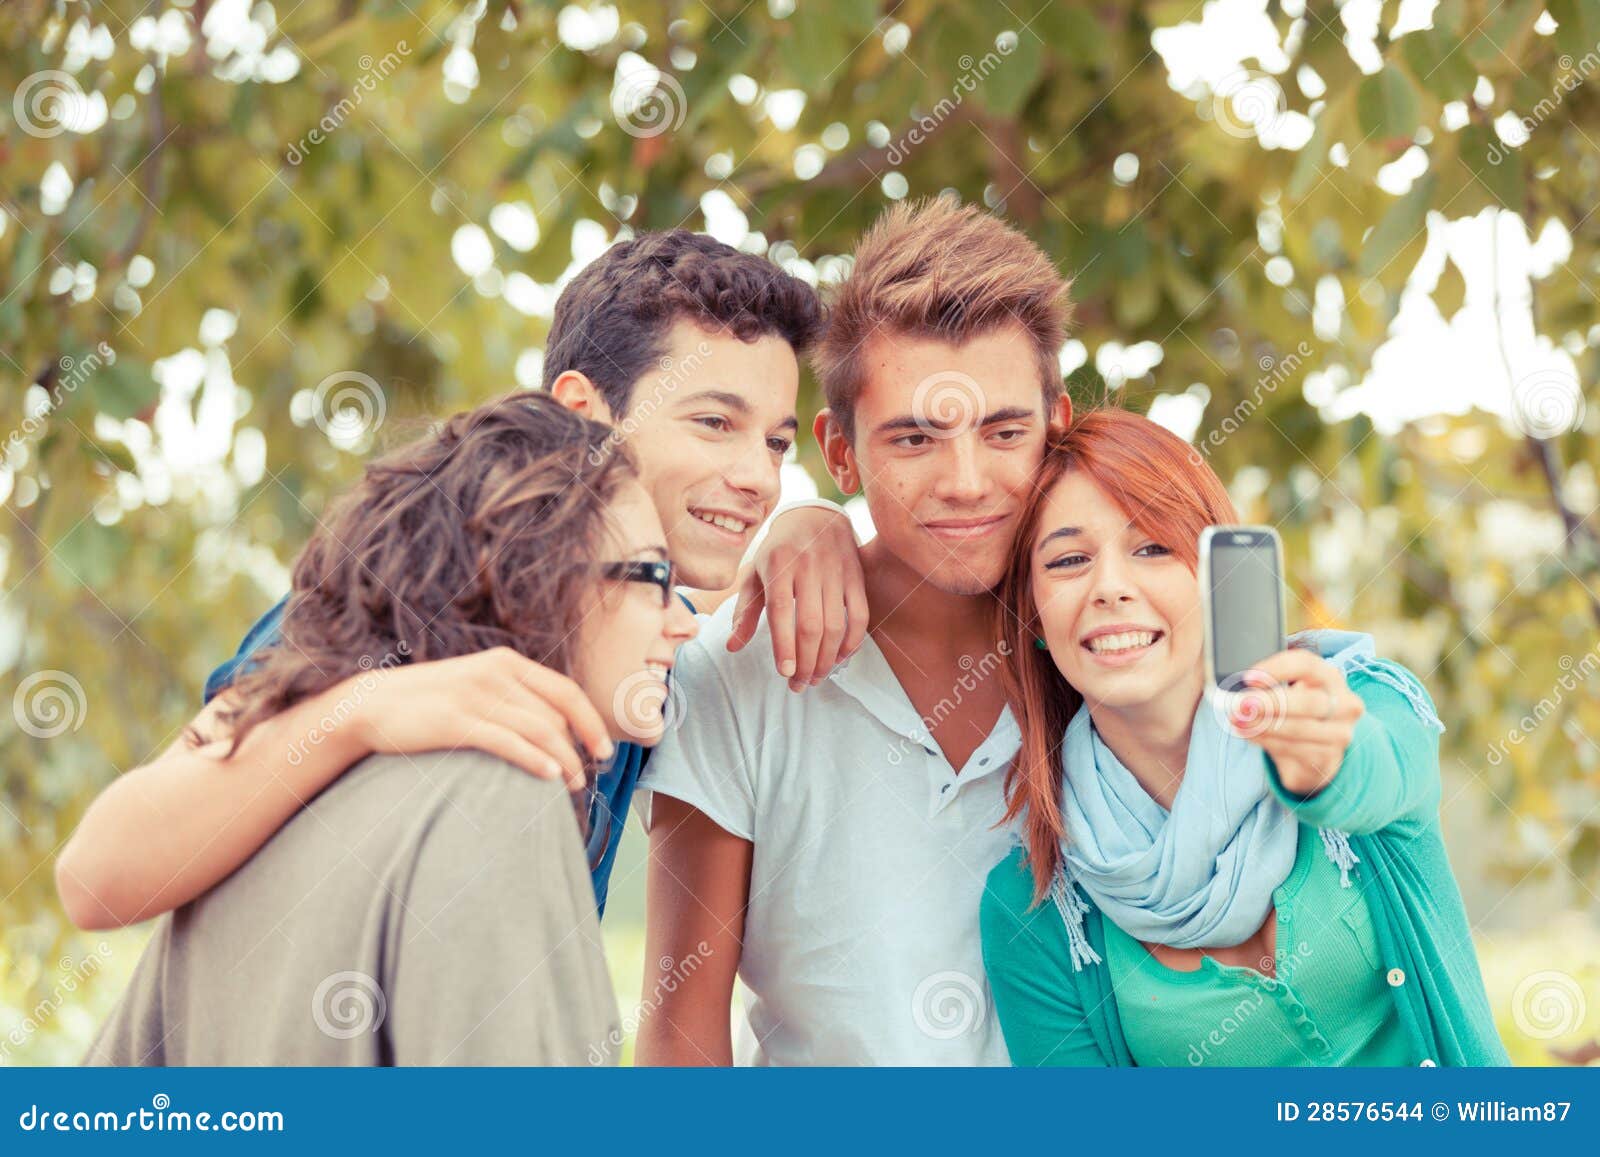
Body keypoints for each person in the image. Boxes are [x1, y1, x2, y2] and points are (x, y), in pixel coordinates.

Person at [56, 229, 863, 931]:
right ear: (583, 413)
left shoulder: (643, 628)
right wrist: (364, 709)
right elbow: (97, 876)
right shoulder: (413, 591)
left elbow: (735, 601)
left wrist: (814, 526)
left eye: (777, 444)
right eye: (715, 423)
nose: (759, 475)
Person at [86, 393, 696, 1065]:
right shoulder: (495, 797)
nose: (683, 618)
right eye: (656, 577)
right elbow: (95, 872)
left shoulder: (274, 798)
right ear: (533, 571)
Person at [637, 196, 1073, 1065]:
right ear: (840, 454)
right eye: (913, 437)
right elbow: (680, 1045)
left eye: (1004, 431)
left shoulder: (1102, 653)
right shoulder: (735, 668)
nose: (964, 481)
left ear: (1053, 432)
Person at [979, 408, 1508, 1067]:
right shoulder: (1031, 907)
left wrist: (1322, 765)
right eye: (1069, 559)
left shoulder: (1364, 700)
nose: (1110, 587)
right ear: (1032, 611)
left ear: (1215, 577)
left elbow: (1377, 766)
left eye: (1151, 547)